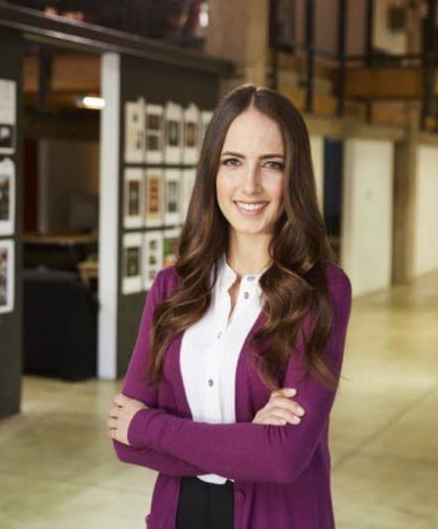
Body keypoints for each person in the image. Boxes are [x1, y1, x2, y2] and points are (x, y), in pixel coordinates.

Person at [107, 84, 352, 529]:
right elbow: (123, 443)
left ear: (293, 176)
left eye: (272, 165)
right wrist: (247, 441)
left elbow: (283, 458)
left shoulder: (322, 290)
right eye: (232, 162)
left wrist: (152, 427)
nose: (250, 185)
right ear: (212, 173)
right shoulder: (172, 286)